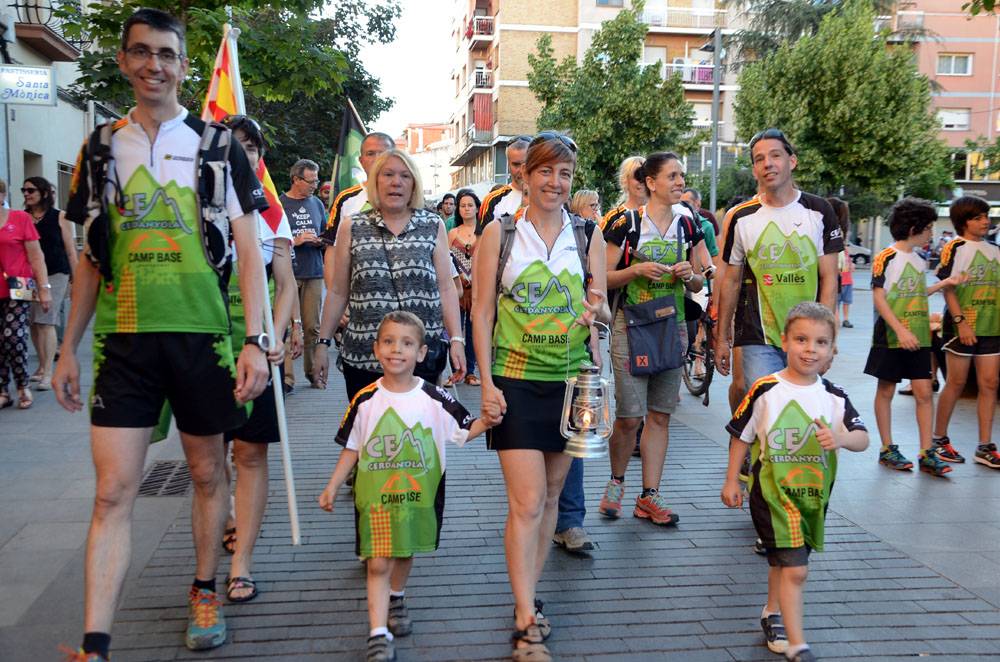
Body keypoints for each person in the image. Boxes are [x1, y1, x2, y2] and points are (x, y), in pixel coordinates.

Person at [52, 9, 270, 660]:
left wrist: (255, 340)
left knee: (208, 472)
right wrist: (66, 347)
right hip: (124, 342)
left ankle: (205, 588)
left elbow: (250, 248)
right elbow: (92, 256)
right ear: (124, 61)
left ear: (182, 66)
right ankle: (96, 644)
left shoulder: (218, 146)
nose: (155, 65)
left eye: (167, 54)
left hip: (202, 337)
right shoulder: (98, 149)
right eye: (142, 52)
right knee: (113, 490)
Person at [472, 131, 609, 661]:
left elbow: (597, 303)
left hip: (573, 383)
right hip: (515, 379)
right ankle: (527, 617)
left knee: (552, 498)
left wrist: (593, 312)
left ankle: (526, 596)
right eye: (545, 171)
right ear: (524, 176)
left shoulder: (587, 234)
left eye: (565, 174)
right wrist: (485, 382)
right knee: (527, 502)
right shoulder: (499, 234)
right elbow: (482, 313)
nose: (555, 182)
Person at [319, 311, 497, 662]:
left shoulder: (434, 396)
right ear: (376, 348)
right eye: (388, 341)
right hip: (375, 500)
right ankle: (377, 632)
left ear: (421, 352)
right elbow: (352, 447)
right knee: (377, 563)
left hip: (418, 497)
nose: (395, 350)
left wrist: (488, 421)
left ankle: (397, 596)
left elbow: (464, 429)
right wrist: (333, 485)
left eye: (406, 343)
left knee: (404, 553)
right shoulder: (365, 400)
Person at [722, 302, 869, 662]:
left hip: (812, 499)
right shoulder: (766, 390)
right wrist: (731, 481)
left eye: (820, 342)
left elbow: (862, 438)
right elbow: (741, 435)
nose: (810, 349)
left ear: (832, 350)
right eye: (801, 339)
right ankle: (798, 644)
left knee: (783, 562)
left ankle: (772, 614)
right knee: (797, 569)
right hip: (771, 495)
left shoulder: (834, 396)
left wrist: (841, 438)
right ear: (784, 341)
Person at [598, 152, 705, 526]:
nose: (680, 182)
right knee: (629, 417)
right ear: (651, 182)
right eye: (672, 176)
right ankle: (615, 481)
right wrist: (637, 270)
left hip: (671, 326)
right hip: (631, 326)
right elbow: (600, 278)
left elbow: (700, 280)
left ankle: (649, 496)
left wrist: (690, 274)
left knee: (660, 416)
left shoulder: (687, 224)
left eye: (682, 175)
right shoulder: (624, 223)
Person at [312, 149, 466, 400]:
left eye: (405, 176)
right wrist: (322, 344)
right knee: (370, 435)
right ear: (375, 181)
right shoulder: (352, 226)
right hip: (365, 357)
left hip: (421, 355)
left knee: (420, 434)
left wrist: (457, 339)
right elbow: (339, 290)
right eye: (388, 174)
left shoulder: (432, 224)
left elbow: (446, 287)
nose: (396, 182)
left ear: (414, 183)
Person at [217, 114, 296, 602]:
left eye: (250, 147)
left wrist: (277, 335)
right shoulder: (194, 202)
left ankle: (242, 560)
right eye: (232, 144)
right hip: (205, 345)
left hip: (255, 346)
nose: (242, 153)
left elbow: (284, 284)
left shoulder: (269, 212)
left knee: (249, 451)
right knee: (210, 457)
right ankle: (223, 512)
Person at [715, 128, 842, 390]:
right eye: (759, 159)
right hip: (757, 335)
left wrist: (828, 338)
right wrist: (721, 337)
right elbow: (730, 280)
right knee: (765, 405)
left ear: (791, 161)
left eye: (775, 155)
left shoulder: (819, 211)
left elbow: (830, 279)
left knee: (800, 405)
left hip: (807, 335)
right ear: (754, 169)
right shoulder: (740, 217)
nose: (767, 163)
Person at [866, 198, 963, 477]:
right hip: (891, 338)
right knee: (886, 390)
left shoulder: (919, 260)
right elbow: (879, 299)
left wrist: (944, 284)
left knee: (924, 392)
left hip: (919, 337)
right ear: (913, 229)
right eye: (929, 228)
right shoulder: (886, 257)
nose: (932, 233)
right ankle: (887, 448)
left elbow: (918, 293)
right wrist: (900, 330)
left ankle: (926, 452)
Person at [932, 195, 1000, 469]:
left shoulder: (996, 250)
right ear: (963, 222)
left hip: (992, 325)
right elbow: (948, 287)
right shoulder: (954, 247)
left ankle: (985, 446)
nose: (985, 221)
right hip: (962, 325)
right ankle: (938, 441)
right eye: (978, 217)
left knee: (990, 384)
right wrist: (960, 321)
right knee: (957, 383)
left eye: (986, 216)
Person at [23, 176, 76, 390]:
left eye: (31, 190)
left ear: (44, 193)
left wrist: (77, 278)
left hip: (56, 273)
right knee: (34, 322)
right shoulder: (21, 217)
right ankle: (42, 366)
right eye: (24, 190)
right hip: (28, 276)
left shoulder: (60, 217)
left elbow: (71, 250)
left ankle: (48, 372)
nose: (26, 194)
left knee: (46, 320)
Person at [0, 205, 51, 409]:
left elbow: (36, 256)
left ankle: (22, 384)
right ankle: (3, 390)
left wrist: (44, 288)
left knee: (13, 336)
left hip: (19, 285)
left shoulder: (20, 218)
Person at [281, 158, 326, 390]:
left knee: (312, 327)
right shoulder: (280, 205)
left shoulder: (317, 204)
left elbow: (327, 235)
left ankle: (312, 373)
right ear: (296, 180)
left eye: (316, 180)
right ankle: (288, 378)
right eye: (310, 181)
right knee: (288, 326)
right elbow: (272, 242)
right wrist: (295, 241)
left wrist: (320, 240)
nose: (314, 185)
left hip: (313, 271)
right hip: (287, 273)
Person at [448, 188, 480, 385]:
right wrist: (459, 276)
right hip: (456, 289)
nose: (466, 209)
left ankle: (471, 371)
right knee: (455, 330)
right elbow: (446, 260)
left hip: (477, 290)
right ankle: (455, 371)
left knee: (474, 328)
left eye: (470, 205)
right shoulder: (452, 233)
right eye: (463, 206)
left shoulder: (485, 232)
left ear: (477, 208)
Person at [475, 135, 531, 234]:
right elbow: (481, 244)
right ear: (508, 165)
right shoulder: (492, 200)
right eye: (516, 164)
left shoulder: (548, 196)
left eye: (526, 163)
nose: (522, 170)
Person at [600, 156, 647, 231]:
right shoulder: (613, 217)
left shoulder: (660, 214)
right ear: (625, 180)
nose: (642, 181)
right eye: (637, 176)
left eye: (645, 176)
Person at [826, 197, 854, 327]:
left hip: (828, 272)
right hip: (836, 274)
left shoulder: (828, 229)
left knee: (829, 311)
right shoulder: (840, 232)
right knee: (831, 311)